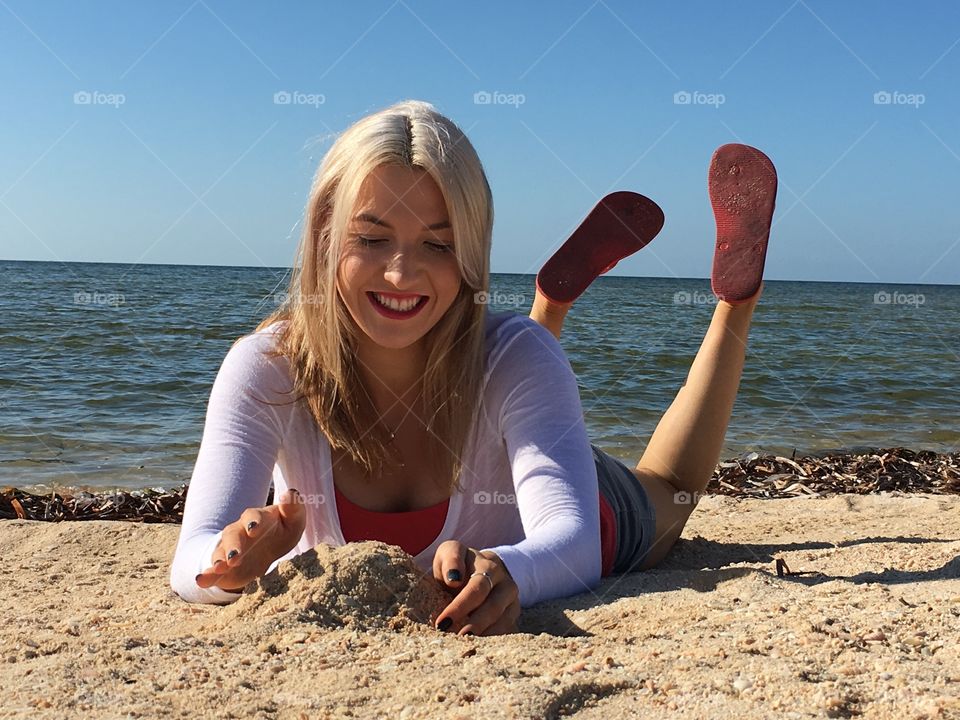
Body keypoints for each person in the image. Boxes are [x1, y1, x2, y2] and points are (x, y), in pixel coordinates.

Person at [169, 100, 777, 637]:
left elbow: (574, 541)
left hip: (569, 478)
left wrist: (512, 569)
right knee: (523, 356)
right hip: (519, 410)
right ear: (324, 236)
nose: (401, 274)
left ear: (472, 254)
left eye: (438, 245)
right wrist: (226, 564)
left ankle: (733, 306)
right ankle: (548, 310)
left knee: (672, 486)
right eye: (372, 239)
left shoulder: (514, 360)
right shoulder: (268, 367)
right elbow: (190, 560)